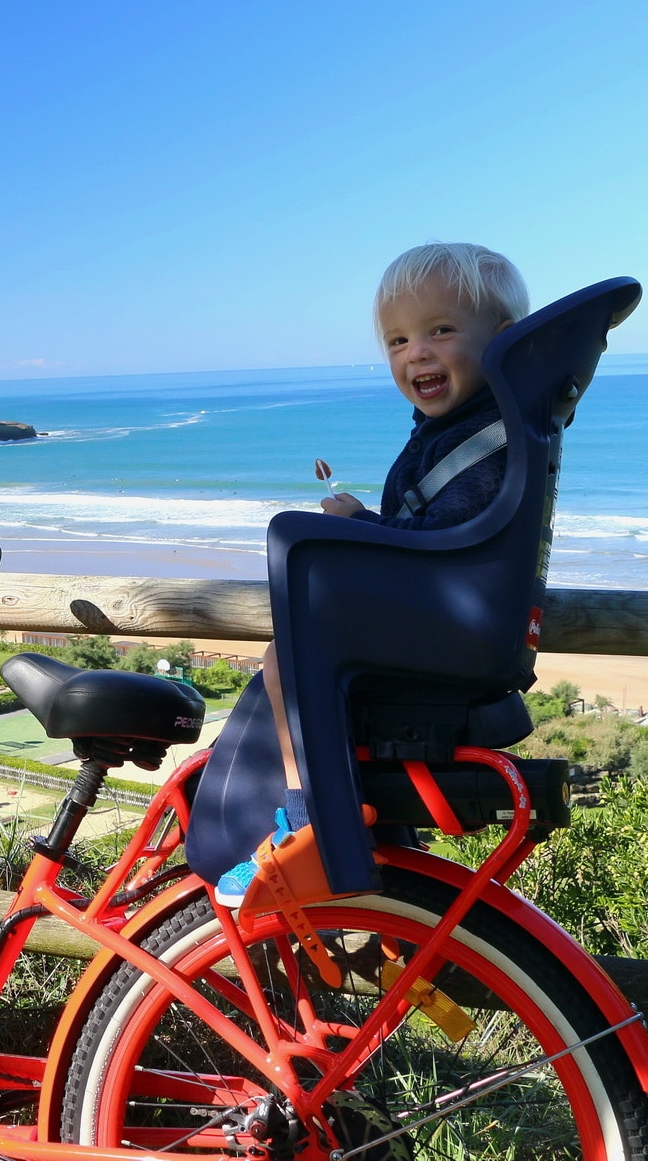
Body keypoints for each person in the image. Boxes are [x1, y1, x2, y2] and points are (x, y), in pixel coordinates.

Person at [202, 242, 528, 906]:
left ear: (503, 341)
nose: (417, 352)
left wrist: (360, 532)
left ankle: (311, 822)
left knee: (286, 661)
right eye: (399, 339)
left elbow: (444, 545)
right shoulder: (475, 431)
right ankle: (374, 827)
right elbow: (439, 535)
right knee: (289, 656)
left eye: (441, 330)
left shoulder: (486, 440)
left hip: (452, 629)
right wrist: (369, 522)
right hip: (457, 619)